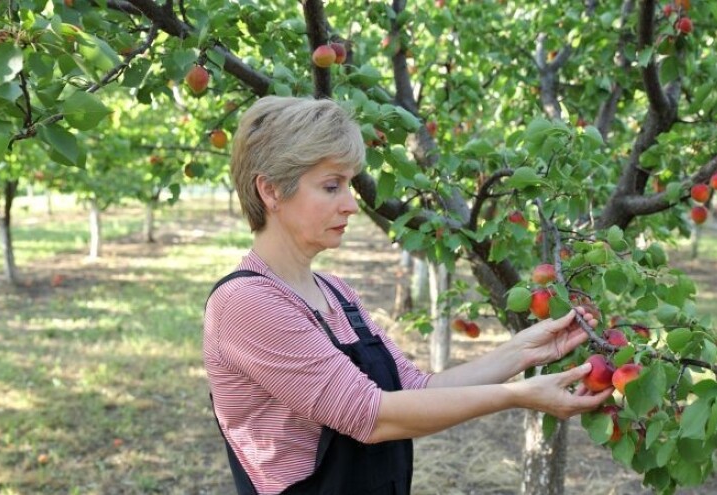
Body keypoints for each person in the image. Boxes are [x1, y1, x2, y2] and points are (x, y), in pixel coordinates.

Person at [203, 96, 613, 495]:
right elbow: (370, 416)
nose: (350, 204)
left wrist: (523, 352)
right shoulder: (246, 303)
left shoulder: (334, 291)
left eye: (348, 185)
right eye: (331, 186)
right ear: (271, 191)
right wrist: (518, 397)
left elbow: (414, 388)